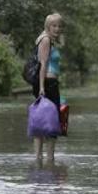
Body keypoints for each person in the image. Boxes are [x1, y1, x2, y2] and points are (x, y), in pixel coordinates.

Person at [32, 13, 63, 160]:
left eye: (59, 26)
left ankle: (40, 158)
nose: (57, 29)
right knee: (51, 123)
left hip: (49, 84)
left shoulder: (47, 39)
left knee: (42, 121)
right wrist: (42, 88)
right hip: (48, 85)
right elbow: (43, 65)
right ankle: (49, 158)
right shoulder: (45, 40)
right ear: (47, 26)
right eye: (54, 26)